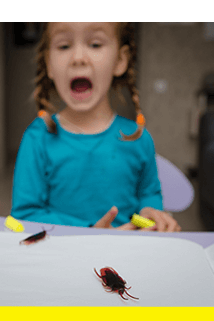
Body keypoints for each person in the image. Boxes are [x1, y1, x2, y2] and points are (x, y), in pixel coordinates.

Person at [11, 22, 181, 232]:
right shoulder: (37, 137)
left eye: (95, 44)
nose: (78, 58)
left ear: (120, 60)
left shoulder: (138, 137)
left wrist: (149, 212)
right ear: (49, 64)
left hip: (126, 254)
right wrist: (89, 230)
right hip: (62, 256)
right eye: (64, 46)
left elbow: (148, 194)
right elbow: (25, 215)